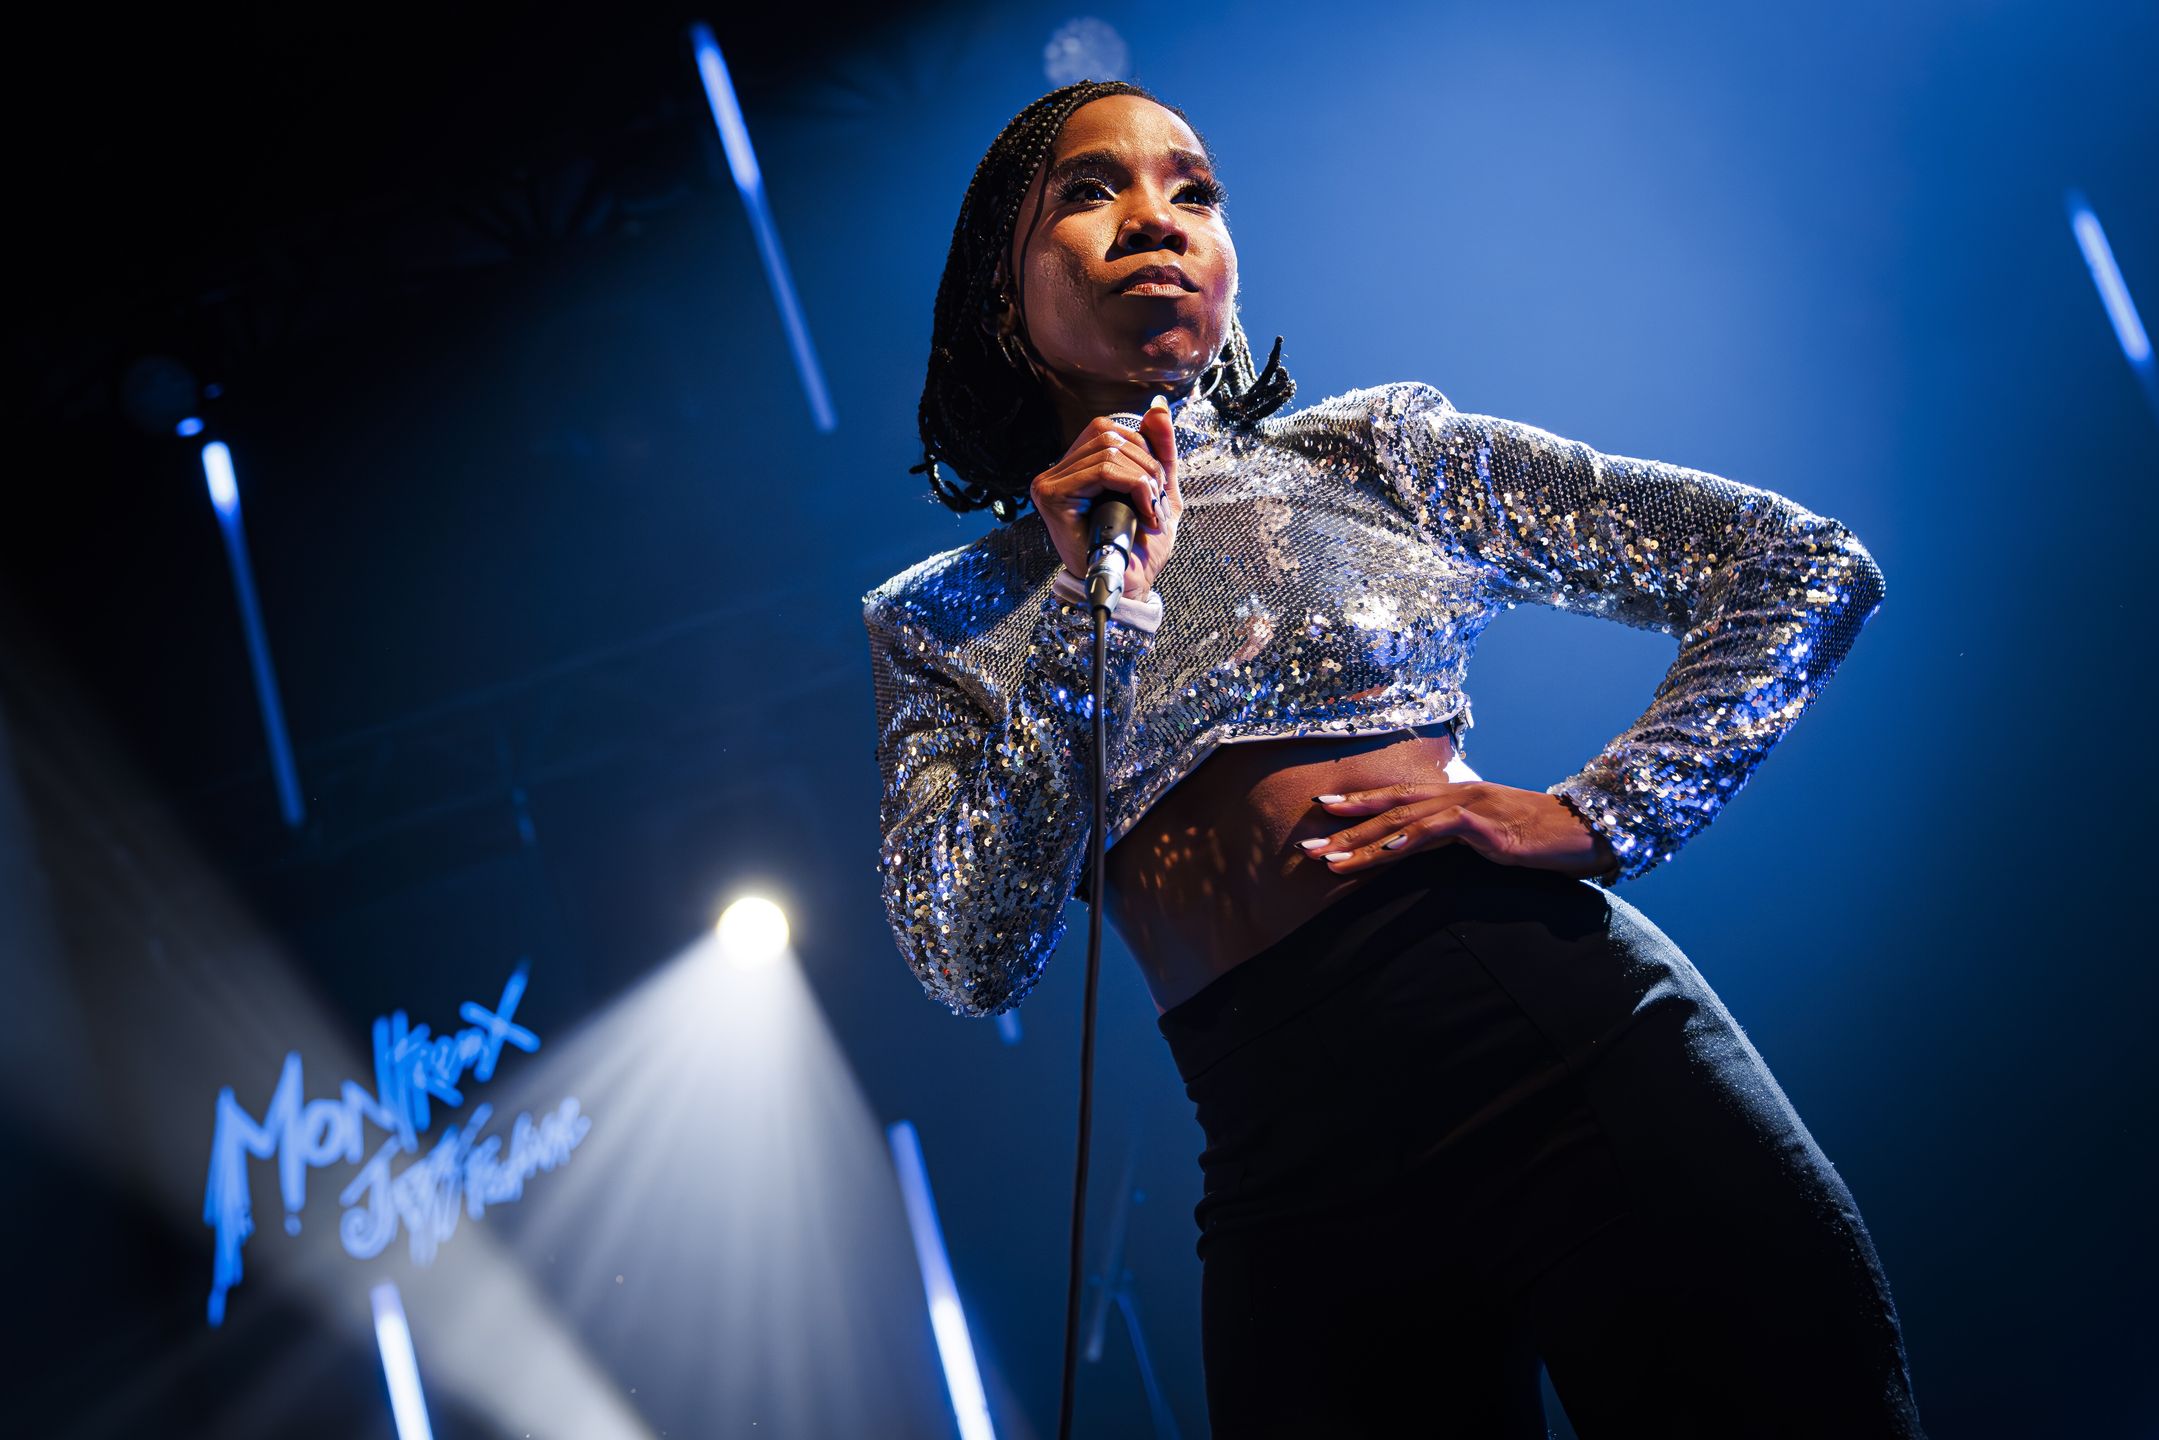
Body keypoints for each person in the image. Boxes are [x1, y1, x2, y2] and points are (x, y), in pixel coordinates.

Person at [863, 78, 1926, 1438]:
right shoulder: (946, 617)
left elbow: (1799, 564)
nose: (1158, 219)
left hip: (1559, 1043)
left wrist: (1605, 814)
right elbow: (966, 949)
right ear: (1002, 294)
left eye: (1193, 189)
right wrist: (1087, 614)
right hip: (1280, 1173)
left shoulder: (1372, 454)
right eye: (1090, 188)